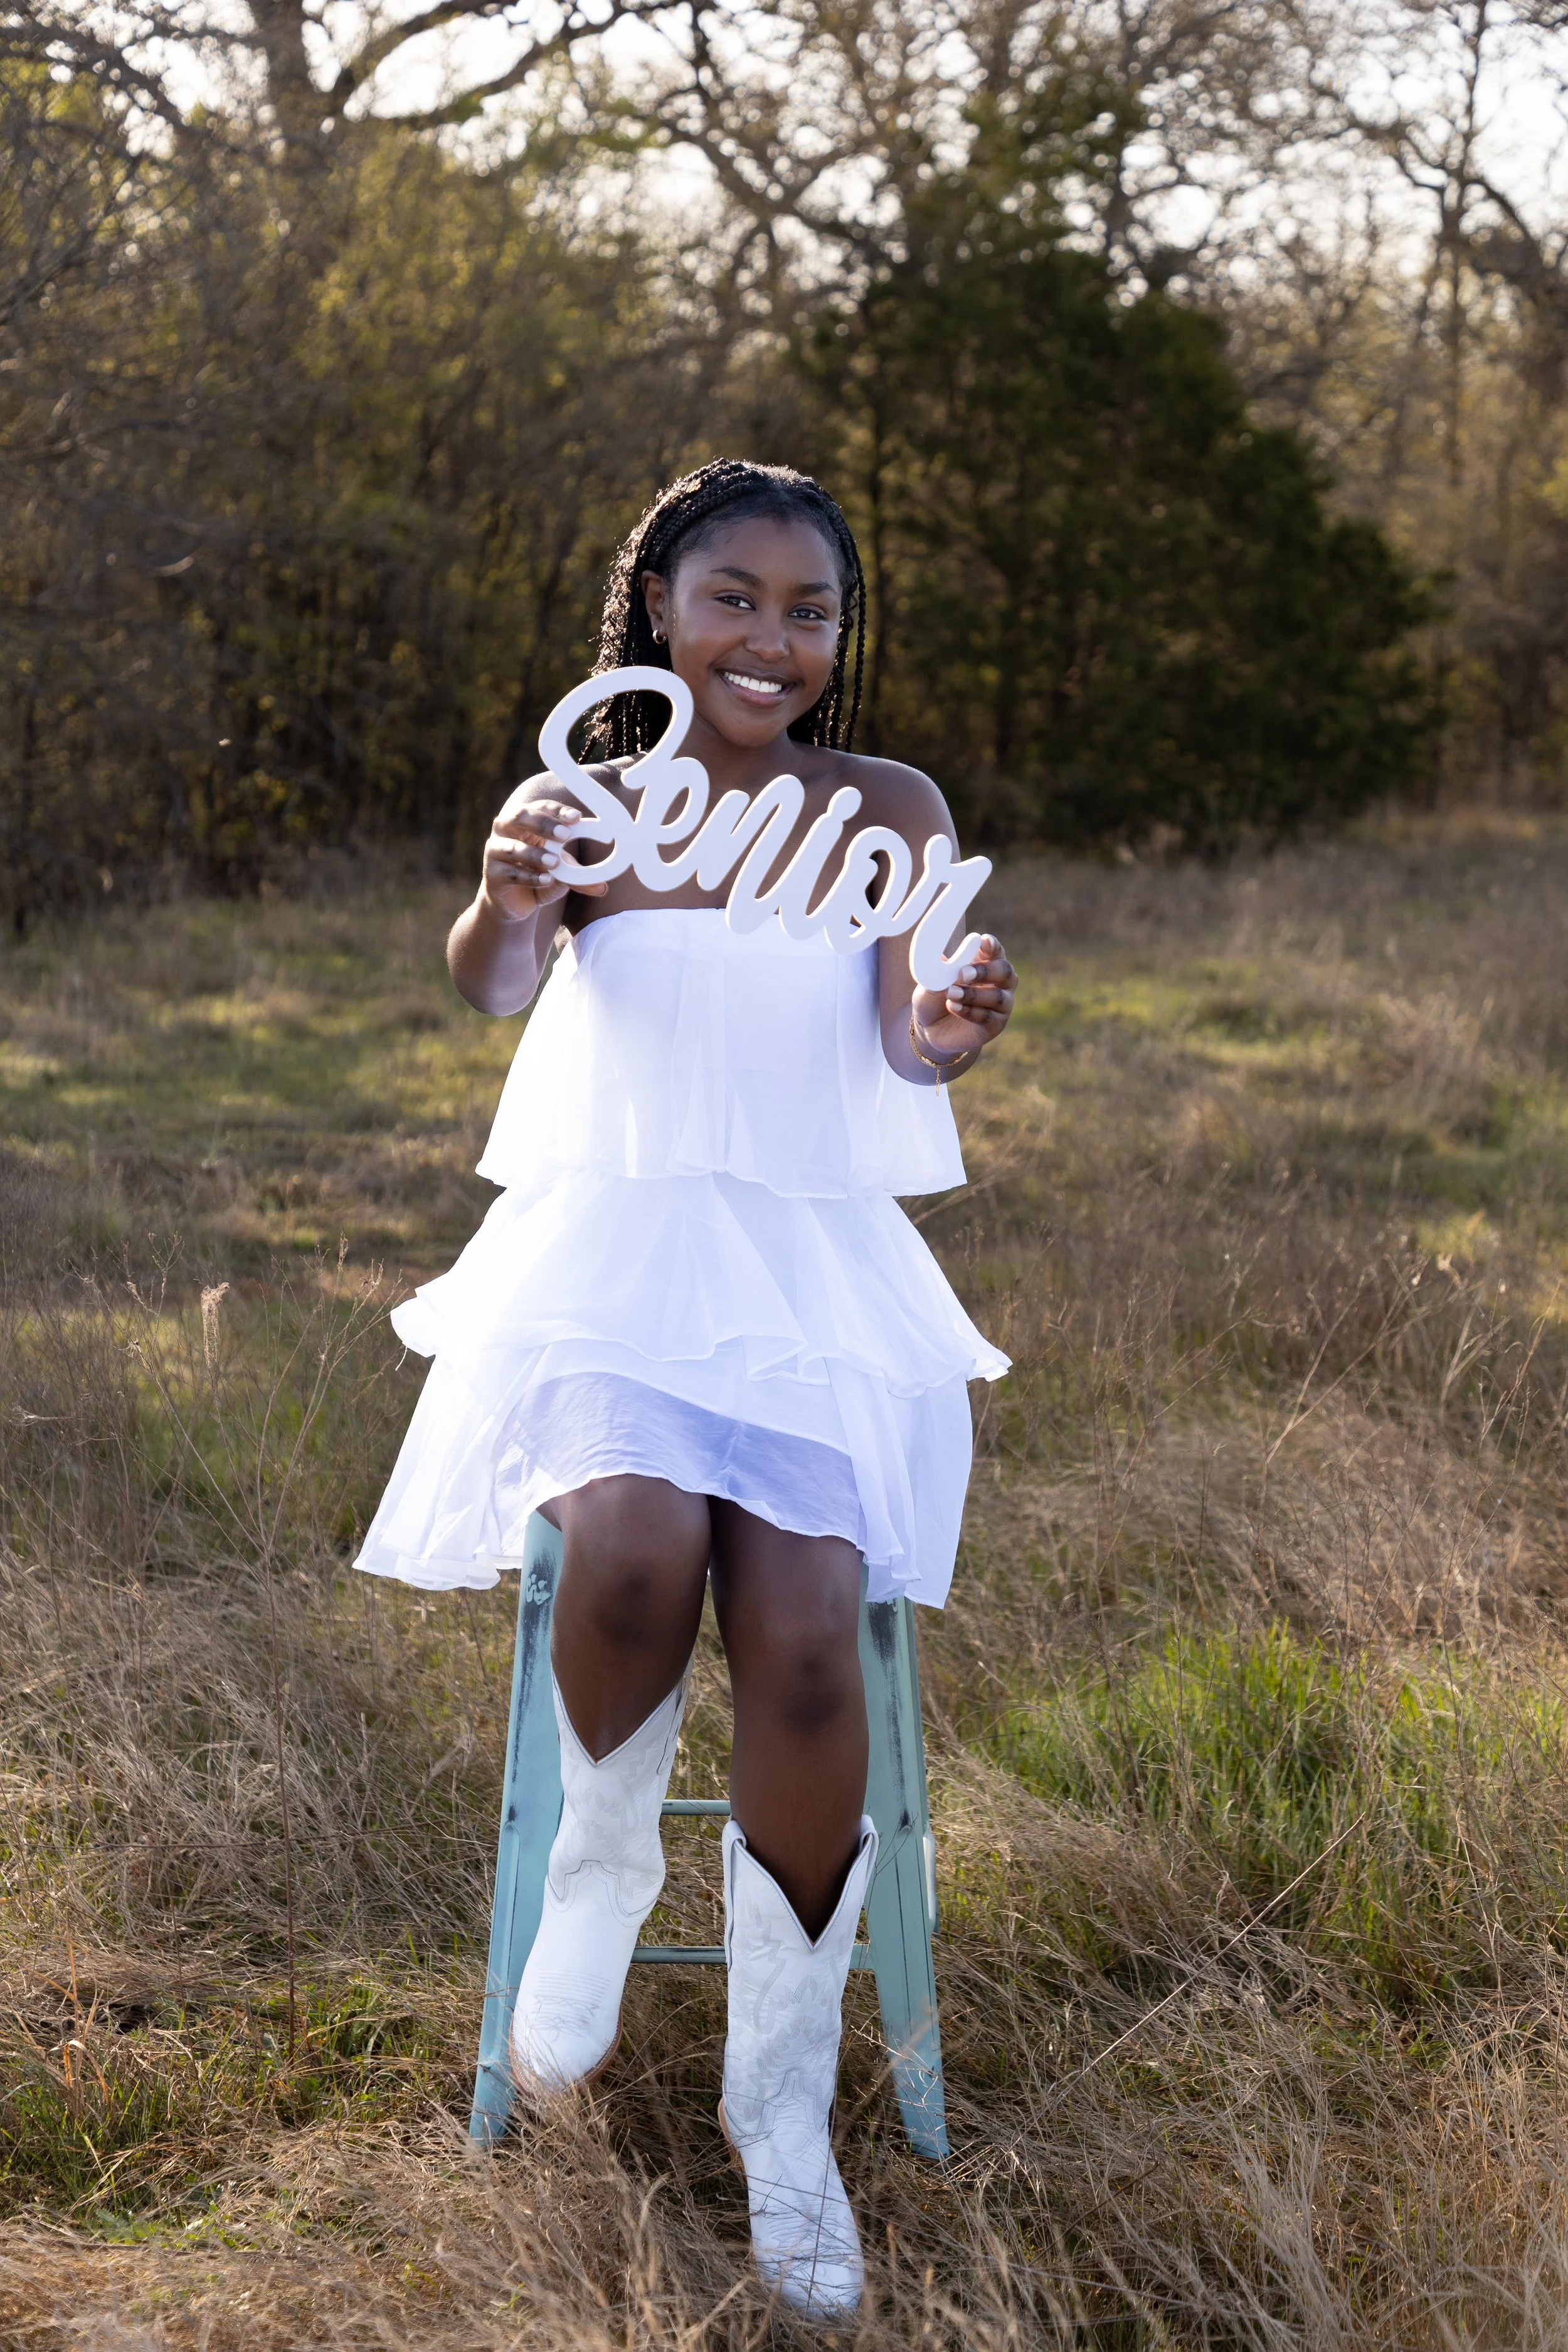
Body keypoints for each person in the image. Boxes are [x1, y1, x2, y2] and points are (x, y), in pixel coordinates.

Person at [356, 458, 1015, 2320]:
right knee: (634, 1544)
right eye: (733, 596)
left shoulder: (882, 806)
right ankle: (593, 1867)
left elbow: (905, 1020)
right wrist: (503, 894)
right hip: (622, 1263)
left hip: (805, 1275)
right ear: (658, 601)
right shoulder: (581, 798)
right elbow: (494, 987)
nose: (771, 640)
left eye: (809, 611)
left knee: (803, 1620)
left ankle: (780, 2109)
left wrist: (947, 1025)